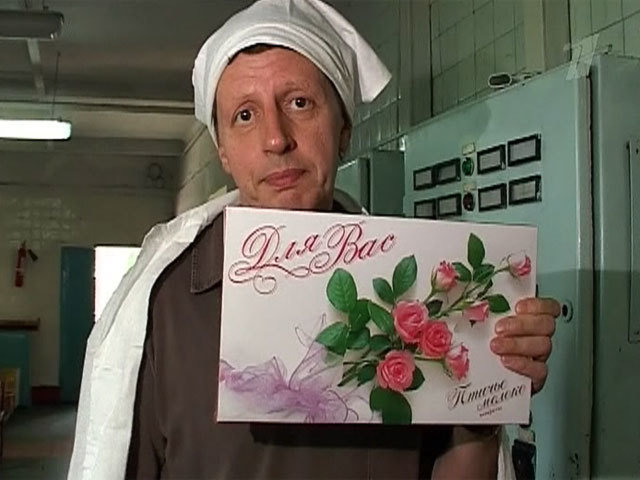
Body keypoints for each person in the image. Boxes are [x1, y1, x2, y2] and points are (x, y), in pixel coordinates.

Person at [68, 0, 560, 479]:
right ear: (223, 151)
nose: (276, 138)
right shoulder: (166, 304)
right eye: (245, 115)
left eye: (299, 103)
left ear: (343, 129)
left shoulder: (423, 290)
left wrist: (489, 396)